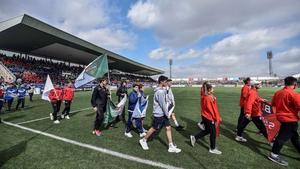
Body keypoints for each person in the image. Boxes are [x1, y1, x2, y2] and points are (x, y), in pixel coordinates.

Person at [139, 75, 181, 153]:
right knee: (154, 128)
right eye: (165, 81)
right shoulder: (160, 92)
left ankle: (171, 145)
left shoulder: (162, 90)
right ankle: (143, 140)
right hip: (159, 114)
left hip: (163, 113)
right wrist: (167, 113)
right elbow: (163, 104)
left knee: (168, 128)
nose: (167, 83)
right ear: (161, 82)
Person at [268, 76, 300, 166]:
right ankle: (273, 155)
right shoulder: (294, 94)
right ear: (294, 84)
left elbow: (273, 104)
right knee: (282, 138)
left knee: (294, 138)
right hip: (290, 119)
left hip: (282, 118)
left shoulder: (278, 92)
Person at [190, 83, 222, 155]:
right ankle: (212, 148)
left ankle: (194, 138)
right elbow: (211, 110)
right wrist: (216, 118)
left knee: (208, 130)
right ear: (209, 90)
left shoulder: (208, 96)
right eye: (212, 88)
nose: (214, 89)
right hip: (208, 117)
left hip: (206, 116)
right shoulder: (207, 98)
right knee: (213, 133)